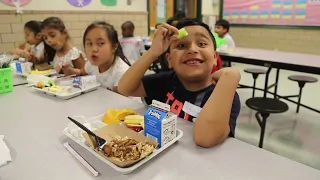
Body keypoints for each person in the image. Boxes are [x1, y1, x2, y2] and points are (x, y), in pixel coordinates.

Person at [118, 18, 241, 148]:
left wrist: (230, 76)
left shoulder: (225, 96)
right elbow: (125, 88)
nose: (192, 50)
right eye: (182, 46)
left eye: (202, 44)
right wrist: (153, 53)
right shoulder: (164, 81)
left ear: (215, 57)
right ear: (169, 60)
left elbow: (205, 139)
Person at [64, 21, 131, 92]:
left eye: (100, 43)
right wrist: (70, 70)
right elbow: (81, 72)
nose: (94, 49)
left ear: (114, 47)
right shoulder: (92, 64)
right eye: (89, 44)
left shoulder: (121, 72)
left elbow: (119, 100)